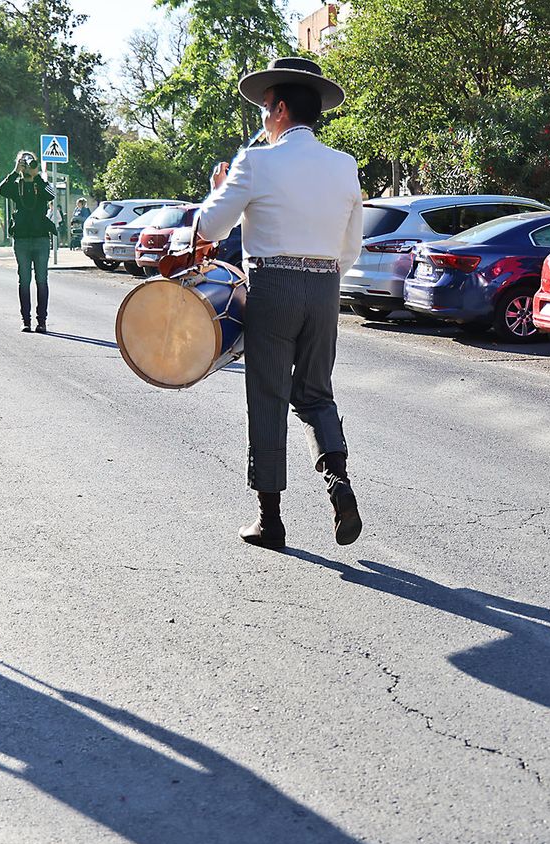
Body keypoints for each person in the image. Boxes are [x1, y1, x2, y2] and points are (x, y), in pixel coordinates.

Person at [194, 57, 364, 550]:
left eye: (265, 112)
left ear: (281, 110)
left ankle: (270, 521)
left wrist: (219, 191)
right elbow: (350, 244)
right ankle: (339, 484)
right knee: (316, 394)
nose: (263, 123)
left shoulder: (257, 162)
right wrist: (324, 276)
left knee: (268, 397)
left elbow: (208, 229)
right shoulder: (344, 165)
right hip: (325, 288)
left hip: (272, 288)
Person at [0, 152, 55, 333]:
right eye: (25, 163)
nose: (29, 166)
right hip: (21, 239)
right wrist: (15, 172)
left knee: (41, 281)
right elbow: (1, 191)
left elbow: (51, 195)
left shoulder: (40, 184)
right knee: (24, 281)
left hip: (41, 239)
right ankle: (26, 320)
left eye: (31, 163)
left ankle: (42, 321)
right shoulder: (16, 186)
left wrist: (37, 175)